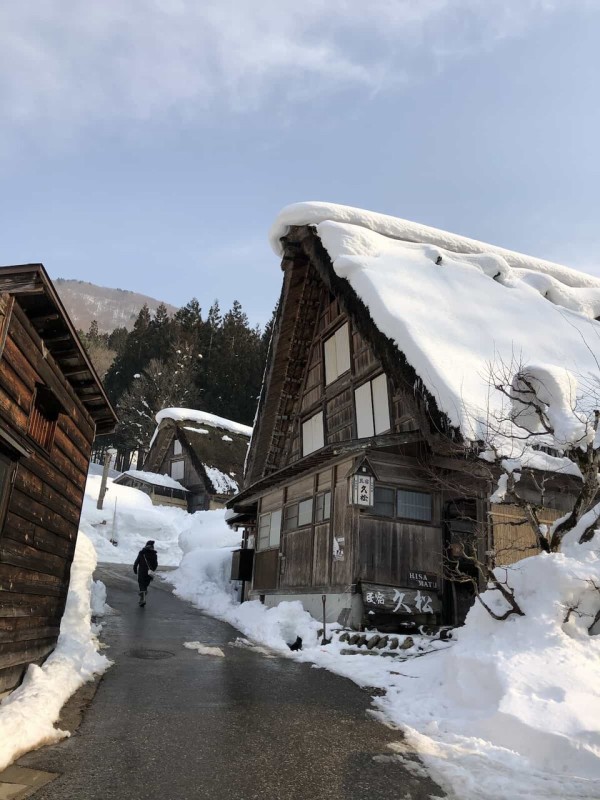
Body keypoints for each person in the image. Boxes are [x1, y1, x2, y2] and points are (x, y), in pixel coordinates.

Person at [133, 540, 158, 607]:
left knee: (141, 584)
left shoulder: (142, 553)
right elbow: (155, 564)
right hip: (149, 573)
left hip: (141, 572)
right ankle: (142, 598)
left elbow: (136, 562)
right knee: (145, 585)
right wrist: (152, 570)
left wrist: (135, 569)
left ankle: (142, 598)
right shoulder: (154, 554)